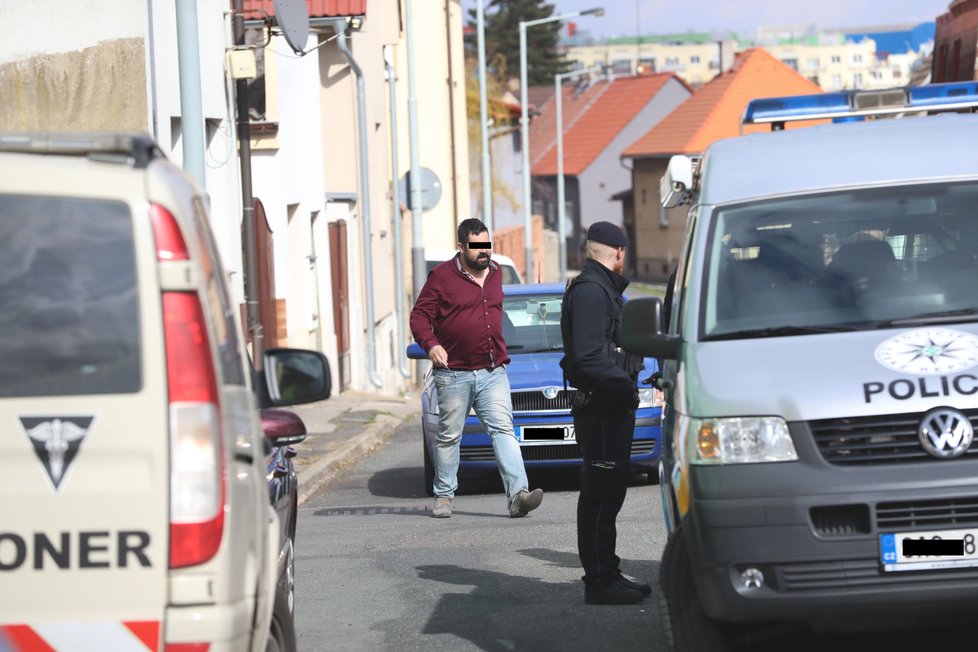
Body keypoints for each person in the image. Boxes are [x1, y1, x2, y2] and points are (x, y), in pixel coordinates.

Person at [410, 218, 544, 519]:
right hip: (453, 372)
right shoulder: (442, 277)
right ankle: (444, 496)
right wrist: (431, 344)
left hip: (492, 370)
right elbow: (419, 316)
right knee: (449, 435)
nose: (485, 252)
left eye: (487, 245)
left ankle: (518, 495)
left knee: (503, 429)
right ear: (461, 248)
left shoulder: (496, 273)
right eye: (477, 247)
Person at [559, 221, 648, 605]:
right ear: (618, 252)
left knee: (609, 493)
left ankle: (608, 572)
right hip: (603, 406)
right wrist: (626, 387)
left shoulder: (600, 289)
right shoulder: (593, 292)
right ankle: (599, 581)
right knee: (600, 495)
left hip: (609, 405)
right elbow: (590, 355)